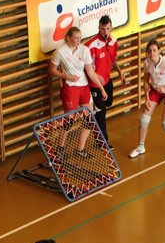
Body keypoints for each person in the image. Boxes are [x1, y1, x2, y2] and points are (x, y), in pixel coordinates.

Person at [49, 27, 108, 158]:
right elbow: (52, 70)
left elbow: (90, 72)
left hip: (84, 87)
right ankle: (60, 148)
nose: (78, 40)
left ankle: (80, 149)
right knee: (69, 120)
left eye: (80, 38)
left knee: (89, 118)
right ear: (69, 38)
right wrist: (66, 77)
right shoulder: (60, 51)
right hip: (70, 87)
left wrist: (101, 88)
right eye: (75, 38)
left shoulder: (84, 50)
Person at [85, 15, 127, 149]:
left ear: (111, 28)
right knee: (101, 111)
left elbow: (113, 60)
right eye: (103, 29)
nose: (106, 32)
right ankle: (102, 142)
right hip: (95, 84)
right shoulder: (90, 45)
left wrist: (120, 72)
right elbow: (84, 65)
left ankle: (93, 114)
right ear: (99, 28)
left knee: (108, 102)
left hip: (107, 81)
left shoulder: (114, 42)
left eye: (108, 29)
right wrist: (95, 74)